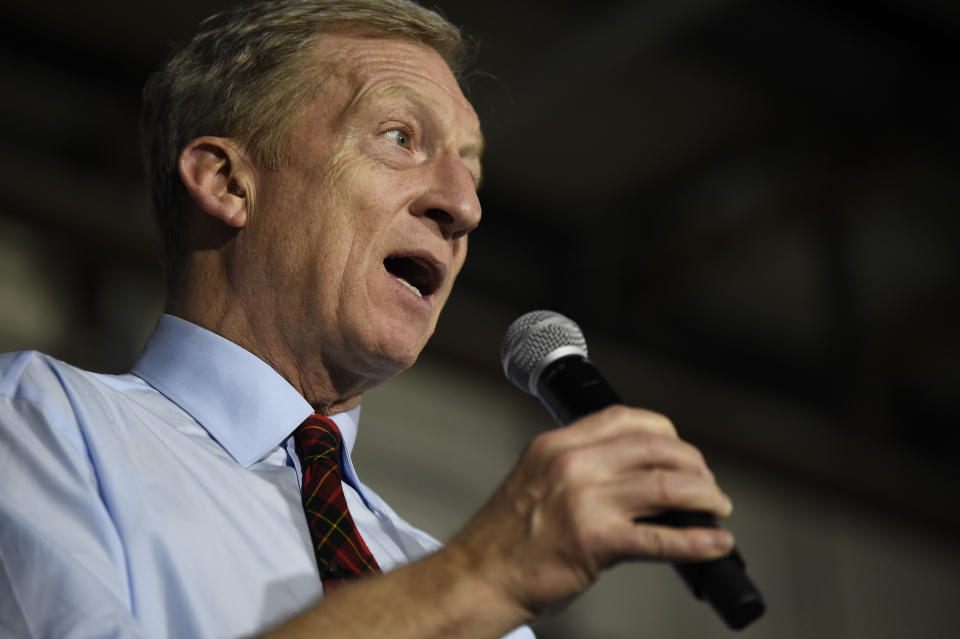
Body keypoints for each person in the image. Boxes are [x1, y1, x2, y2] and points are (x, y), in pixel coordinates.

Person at [0, 1, 735, 637]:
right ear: (228, 182)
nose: (463, 206)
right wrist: (479, 579)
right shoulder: (39, 426)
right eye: (399, 138)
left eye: (471, 171)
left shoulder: (446, 582)